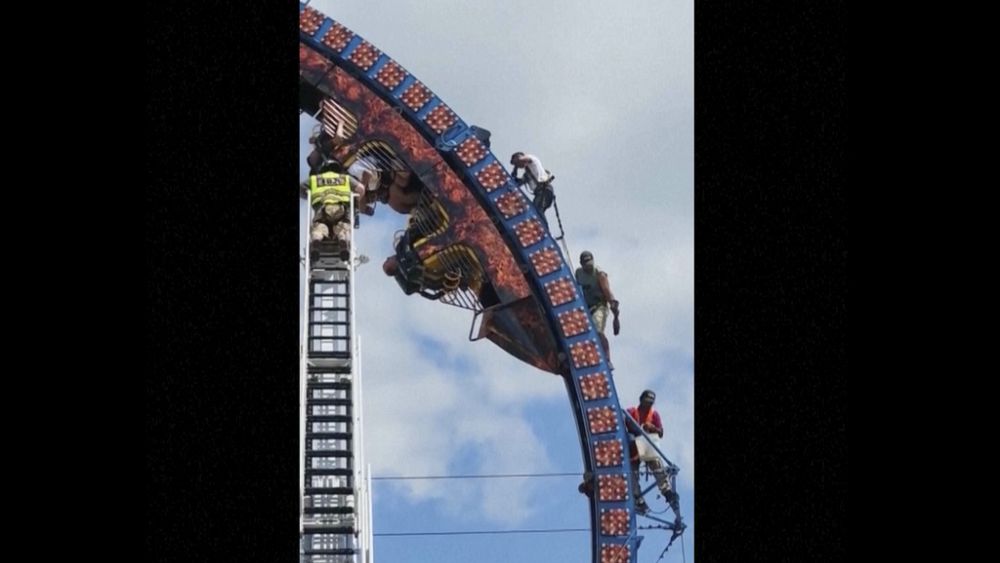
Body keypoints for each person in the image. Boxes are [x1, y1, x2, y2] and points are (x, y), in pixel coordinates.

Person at [626, 390, 683, 528]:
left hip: (648, 443)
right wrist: (637, 428)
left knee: (657, 465)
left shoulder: (654, 414)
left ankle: (667, 492)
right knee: (632, 473)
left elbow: (661, 432)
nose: (648, 405)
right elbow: (625, 423)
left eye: (650, 402)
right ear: (641, 400)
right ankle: (638, 499)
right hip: (634, 445)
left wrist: (653, 428)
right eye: (646, 402)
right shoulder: (632, 411)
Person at [300, 165, 367, 261]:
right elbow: (361, 189)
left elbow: (301, 188)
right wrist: (355, 203)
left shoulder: (314, 179)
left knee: (319, 226)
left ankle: (316, 242)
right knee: (342, 227)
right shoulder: (345, 178)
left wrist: (310, 197)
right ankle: (343, 242)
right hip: (341, 208)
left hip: (322, 209)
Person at [574, 251, 620, 367]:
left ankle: (607, 359)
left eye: (590, 263)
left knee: (597, 330)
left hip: (600, 306)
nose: (588, 267)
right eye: (586, 264)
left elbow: (606, 290)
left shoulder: (600, 274)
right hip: (586, 307)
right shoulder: (579, 273)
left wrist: (613, 303)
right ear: (581, 264)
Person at [510, 152, 555, 224]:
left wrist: (517, 162)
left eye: (517, 163)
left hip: (544, 189)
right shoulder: (526, 175)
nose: (518, 165)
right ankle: (542, 227)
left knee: (537, 210)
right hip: (540, 193)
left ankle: (545, 230)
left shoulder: (532, 160)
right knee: (536, 211)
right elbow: (516, 183)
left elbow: (523, 159)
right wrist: (515, 171)